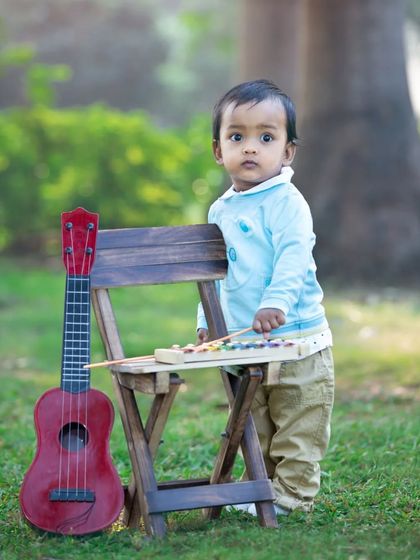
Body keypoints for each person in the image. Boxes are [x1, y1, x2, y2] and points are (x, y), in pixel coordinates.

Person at [196, 79, 334, 516]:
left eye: (266, 137)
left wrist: (275, 302)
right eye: (237, 137)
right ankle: (259, 485)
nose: (250, 148)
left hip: (295, 337)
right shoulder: (221, 210)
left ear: (287, 152)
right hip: (245, 340)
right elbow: (215, 272)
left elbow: (294, 257)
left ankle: (293, 493)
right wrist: (205, 317)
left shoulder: (286, 203)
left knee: (296, 420)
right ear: (219, 151)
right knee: (254, 421)